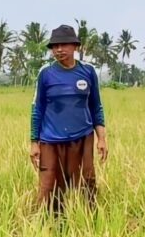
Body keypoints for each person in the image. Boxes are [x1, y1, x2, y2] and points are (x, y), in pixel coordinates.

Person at [30, 24, 108, 214]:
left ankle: (89, 223)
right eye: (54, 46)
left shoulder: (88, 71)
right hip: (51, 140)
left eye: (64, 45)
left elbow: (95, 106)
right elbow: (37, 108)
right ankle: (50, 228)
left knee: (86, 183)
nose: (59, 50)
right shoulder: (46, 74)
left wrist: (102, 139)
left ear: (75, 47)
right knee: (49, 187)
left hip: (82, 139)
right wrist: (34, 142)